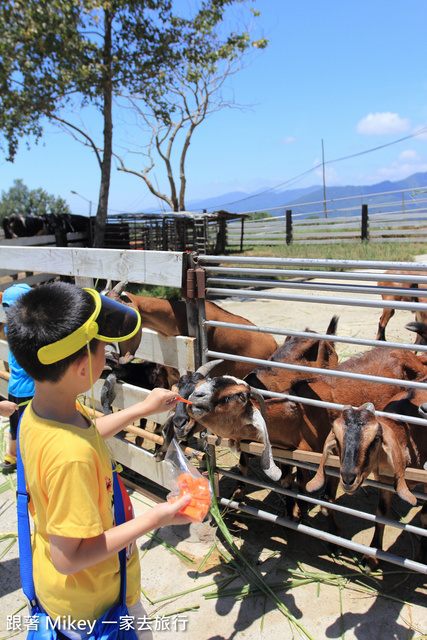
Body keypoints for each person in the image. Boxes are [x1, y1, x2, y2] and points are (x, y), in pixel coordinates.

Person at [5, 281, 191, 640]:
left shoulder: (41, 411)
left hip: (64, 591)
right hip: (92, 609)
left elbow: (86, 432)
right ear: (79, 367)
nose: (106, 353)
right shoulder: (70, 459)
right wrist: (158, 516)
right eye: (103, 348)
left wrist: (142, 408)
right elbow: (68, 558)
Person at [0, 283, 35, 474]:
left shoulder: (9, 329)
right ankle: (26, 462)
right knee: (29, 428)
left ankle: (11, 455)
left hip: (13, 388)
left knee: (15, 425)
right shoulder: (29, 332)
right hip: (30, 389)